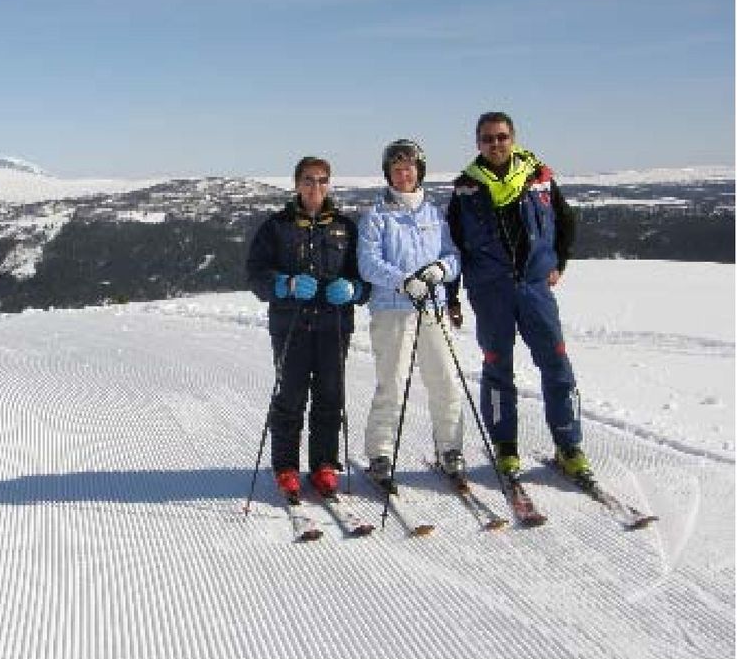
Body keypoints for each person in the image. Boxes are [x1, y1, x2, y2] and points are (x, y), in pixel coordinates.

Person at [446, 111, 589, 480]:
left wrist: (558, 263)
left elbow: (565, 221)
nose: (495, 144)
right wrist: (453, 295)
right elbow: (454, 245)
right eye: (488, 138)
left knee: (556, 365)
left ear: (513, 139)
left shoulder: (538, 179)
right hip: (490, 291)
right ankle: (505, 445)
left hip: (534, 289)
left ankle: (568, 446)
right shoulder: (465, 188)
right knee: (497, 368)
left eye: (501, 137)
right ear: (478, 143)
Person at [246, 156, 368, 498]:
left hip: (334, 324)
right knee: (291, 395)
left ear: (329, 184)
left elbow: (364, 278)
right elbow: (256, 276)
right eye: (309, 180)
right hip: (291, 326)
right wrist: (284, 284)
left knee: (330, 394)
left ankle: (324, 464)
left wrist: (354, 290)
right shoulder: (277, 226)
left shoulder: (345, 226)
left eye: (322, 180)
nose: (316, 187)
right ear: (297, 184)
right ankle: (285, 466)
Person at [356, 138, 465, 487]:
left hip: (431, 308)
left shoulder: (433, 213)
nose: (404, 173)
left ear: (420, 171)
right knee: (393, 383)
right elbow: (368, 263)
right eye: (397, 168)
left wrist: (439, 272)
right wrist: (403, 282)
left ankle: (450, 449)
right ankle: (381, 454)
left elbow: (452, 255)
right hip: (393, 310)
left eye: (410, 167)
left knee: (445, 380)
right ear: (388, 172)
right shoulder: (376, 215)